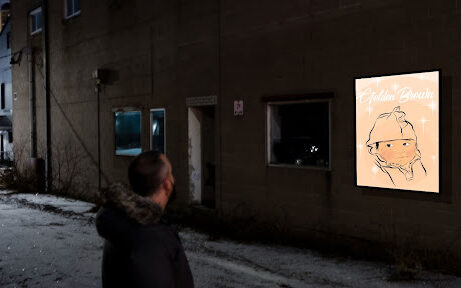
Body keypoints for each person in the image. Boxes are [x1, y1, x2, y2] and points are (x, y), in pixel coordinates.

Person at [96, 151, 194, 288]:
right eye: (170, 173)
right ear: (167, 185)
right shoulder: (152, 240)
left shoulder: (122, 219)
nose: (174, 179)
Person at [366, 106, 426, 187]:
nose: (400, 150)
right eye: (389, 145)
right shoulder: (378, 169)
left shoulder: (416, 162)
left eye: (406, 144)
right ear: (376, 149)